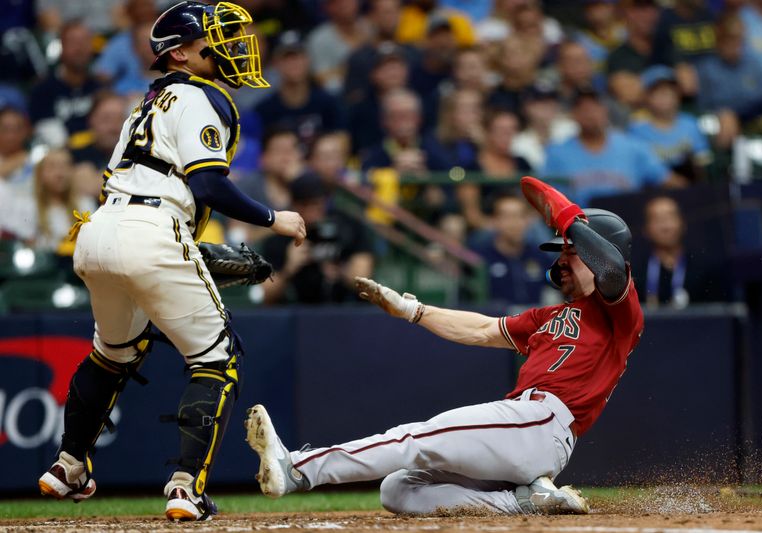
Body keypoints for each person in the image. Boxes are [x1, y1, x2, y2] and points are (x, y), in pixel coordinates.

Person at [36, 1, 306, 522]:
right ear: (179, 53)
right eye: (214, 39)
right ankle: (187, 487)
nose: (228, 46)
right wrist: (275, 218)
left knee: (112, 355)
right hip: (153, 230)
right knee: (217, 360)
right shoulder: (202, 95)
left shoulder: (150, 101)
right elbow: (207, 184)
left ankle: (68, 464)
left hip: (99, 230)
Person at [245, 176, 644, 516]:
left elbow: (608, 265)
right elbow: (483, 328)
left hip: (542, 422)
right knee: (399, 489)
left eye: (569, 252)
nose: (560, 262)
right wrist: (413, 310)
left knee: (413, 440)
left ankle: (299, 468)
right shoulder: (549, 317)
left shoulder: (619, 311)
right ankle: (523, 502)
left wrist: (567, 217)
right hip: (524, 427)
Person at [542, 88, 680, 206]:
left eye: (595, 107)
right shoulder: (557, 153)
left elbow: (668, 180)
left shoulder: (632, 147)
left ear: (605, 110)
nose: (590, 114)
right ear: (574, 114)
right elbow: (545, 200)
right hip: (579, 226)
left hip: (628, 222)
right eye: (583, 109)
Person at [259, 171, 374, 304]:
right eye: (305, 205)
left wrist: (339, 270)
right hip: (298, 313)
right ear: (294, 205)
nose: (312, 212)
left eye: (317, 204)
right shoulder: (280, 237)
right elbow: (264, 295)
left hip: (345, 310)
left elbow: (365, 278)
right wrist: (289, 269)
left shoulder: (346, 226)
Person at [631, 195, 727, 306]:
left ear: (682, 224)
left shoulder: (705, 270)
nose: (665, 227)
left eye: (670, 218)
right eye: (657, 220)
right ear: (646, 229)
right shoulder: (635, 274)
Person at [628, 66, 711, 182]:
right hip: (653, 191)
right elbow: (638, 169)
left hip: (691, 186)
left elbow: (703, 160)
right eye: (656, 91)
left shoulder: (690, 123)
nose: (664, 94)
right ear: (646, 97)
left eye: (670, 89)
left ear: (678, 93)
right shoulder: (637, 130)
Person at [471, 190, 551, 306]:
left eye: (520, 216)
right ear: (495, 221)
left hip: (534, 321)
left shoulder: (540, 256)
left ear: (528, 220)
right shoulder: (480, 258)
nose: (515, 223)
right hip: (495, 321)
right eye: (507, 217)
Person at [694, 14, 762, 114]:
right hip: (721, 123)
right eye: (730, 39)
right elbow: (702, 109)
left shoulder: (754, 64)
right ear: (719, 40)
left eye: (739, 40)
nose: (735, 46)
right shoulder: (706, 69)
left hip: (754, 121)